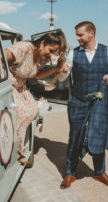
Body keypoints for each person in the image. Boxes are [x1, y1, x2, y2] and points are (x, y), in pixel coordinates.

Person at [59, 21, 108, 189]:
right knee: (75, 136)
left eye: (80, 35)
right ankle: (70, 173)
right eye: (77, 35)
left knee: (99, 134)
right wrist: (62, 72)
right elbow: (62, 79)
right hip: (77, 100)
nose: (77, 38)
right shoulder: (73, 54)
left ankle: (99, 172)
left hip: (99, 101)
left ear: (91, 33)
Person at [4, 30, 67, 164]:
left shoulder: (40, 57)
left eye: (53, 52)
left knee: (33, 110)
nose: (50, 55)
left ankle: (18, 147)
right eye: (50, 50)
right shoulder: (23, 48)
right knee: (22, 112)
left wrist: (56, 69)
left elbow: (36, 75)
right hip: (7, 85)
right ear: (42, 43)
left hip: (21, 87)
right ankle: (13, 152)